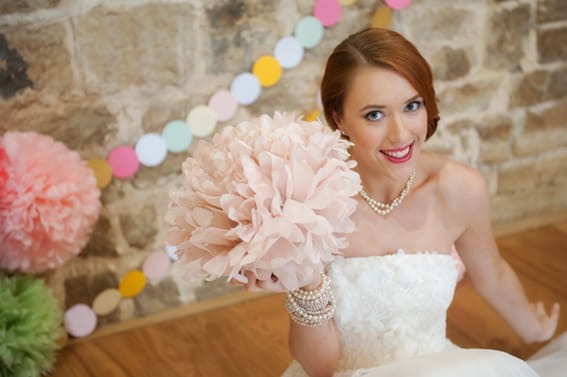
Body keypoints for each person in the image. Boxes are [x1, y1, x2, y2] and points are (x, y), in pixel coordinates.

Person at [232, 28, 566, 376]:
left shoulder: (459, 188)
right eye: (374, 114)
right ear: (338, 118)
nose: (400, 134)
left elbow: (491, 273)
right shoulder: (309, 205)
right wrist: (306, 283)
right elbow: (322, 369)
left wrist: (533, 328)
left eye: (411, 106)